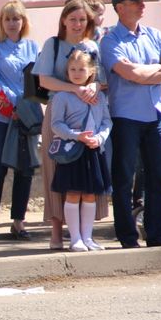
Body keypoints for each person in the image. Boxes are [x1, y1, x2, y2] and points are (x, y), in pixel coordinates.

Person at [100, 0, 161, 248]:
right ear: (120, 8)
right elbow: (129, 73)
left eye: (143, 1)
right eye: (136, 2)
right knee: (123, 179)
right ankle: (127, 237)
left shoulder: (155, 35)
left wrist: (143, 73)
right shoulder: (111, 40)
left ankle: (156, 235)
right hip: (125, 117)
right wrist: (154, 70)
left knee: (158, 176)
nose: (142, 6)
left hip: (155, 114)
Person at [32, 0, 110, 250]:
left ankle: (85, 235)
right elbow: (44, 80)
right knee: (57, 173)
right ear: (64, 20)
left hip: (89, 114)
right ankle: (57, 232)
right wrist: (75, 89)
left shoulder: (92, 47)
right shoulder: (52, 44)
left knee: (87, 178)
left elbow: (101, 81)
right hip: (59, 114)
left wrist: (92, 87)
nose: (77, 24)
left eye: (83, 20)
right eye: (73, 19)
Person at [0, 0, 39, 240]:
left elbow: (37, 80)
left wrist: (24, 108)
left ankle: (18, 222)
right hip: (2, 116)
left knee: (25, 170)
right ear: (2, 22)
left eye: (17, 18)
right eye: (8, 19)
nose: (12, 23)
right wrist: (13, 104)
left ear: (23, 21)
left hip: (26, 118)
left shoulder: (33, 46)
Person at [50, 50, 112, 252]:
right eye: (73, 69)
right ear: (67, 72)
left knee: (90, 195)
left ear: (91, 71)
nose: (77, 73)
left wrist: (99, 138)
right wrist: (77, 135)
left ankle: (88, 237)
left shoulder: (100, 96)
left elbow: (106, 121)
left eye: (81, 69)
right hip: (72, 150)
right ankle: (75, 238)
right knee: (73, 193)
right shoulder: (62, 96)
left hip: (93, 149)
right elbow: (56, 125)